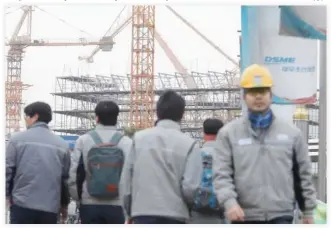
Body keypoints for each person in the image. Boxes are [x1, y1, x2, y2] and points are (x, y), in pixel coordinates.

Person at [212, 64, 317, 224]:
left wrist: (308, 210)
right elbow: (221, 175)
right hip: (243, 217)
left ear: (271, 94)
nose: (258, 97)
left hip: (281, 216)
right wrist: (230, 203)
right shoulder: (228, 135)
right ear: (244, 96)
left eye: (262, 91)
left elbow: (302, 174)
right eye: (253, 92)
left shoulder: (292, 134)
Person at [120, 90, 197, 224]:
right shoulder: (190, 144)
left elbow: (126, 182)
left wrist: (128, 212)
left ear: (157, 112)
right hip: (175, 216)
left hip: (142, 213)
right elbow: (190, 189)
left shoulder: (138, 139)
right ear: (182, 114)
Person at [68, 100, 132, 224]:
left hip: (89, 204)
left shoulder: (83, 140)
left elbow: (73, 175)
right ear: (116, 118)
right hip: (117, 205)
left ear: (96, 118)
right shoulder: (127, 142)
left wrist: (78, 199)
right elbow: (131, 176)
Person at [6, 101, 71, 224]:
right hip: (50, 209)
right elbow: (65, 180)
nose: (25, 120)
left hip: (22, 206)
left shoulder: (16, 140)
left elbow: (7, 171)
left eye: (26, 116)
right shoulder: (62, 145)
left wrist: (6, 197)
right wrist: (64, 205)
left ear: (35, 116)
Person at [182, 118, 226, 224]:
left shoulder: (194, 155)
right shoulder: (228, 157)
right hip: (222, 215)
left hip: (197, 215)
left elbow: (187, 186)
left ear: (204, 133)